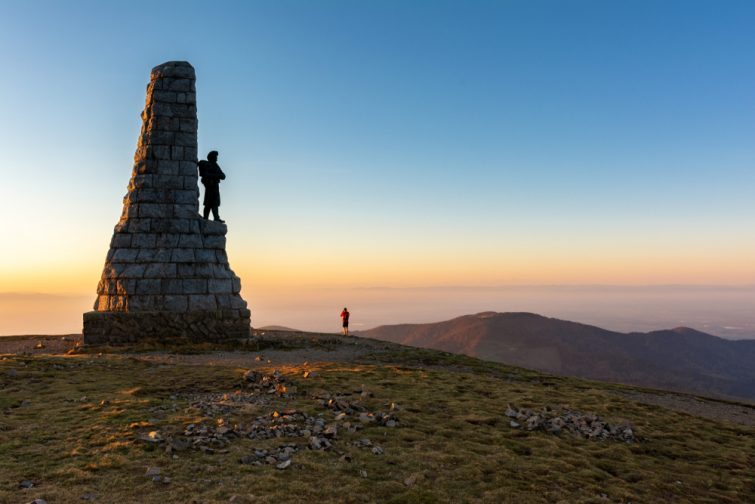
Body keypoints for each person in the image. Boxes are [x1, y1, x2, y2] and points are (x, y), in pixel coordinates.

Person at [197, 150, 226, 223]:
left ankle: (216, 217)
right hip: (210, 186)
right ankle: (206, 218)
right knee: (208, 203)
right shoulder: (207, 165)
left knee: (215, 203)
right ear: (212, 157)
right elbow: (204, 175)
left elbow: (223, 176)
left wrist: (213, 176)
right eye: (216, 157)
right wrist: (214, 176)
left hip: (215, 186)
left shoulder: (216, 165)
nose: (217, 158)